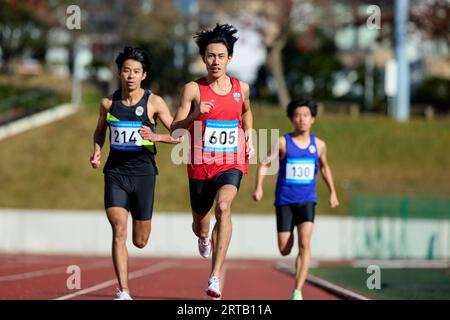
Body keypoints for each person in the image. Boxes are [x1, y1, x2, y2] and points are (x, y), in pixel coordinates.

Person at [89, 46, 180, 300]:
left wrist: (156, 136)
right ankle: (124, 291)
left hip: (144, 175)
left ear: (144, 75)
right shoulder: (108, 103)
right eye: (126, 70)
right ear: (119, 73)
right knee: (119, 229)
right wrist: (97, 150)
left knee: (140, 241)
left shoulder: (154, 102)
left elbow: (180, 135)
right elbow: (99, 131)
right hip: (116, 173)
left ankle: (125, 286)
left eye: (136, 71)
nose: (131, 75)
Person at [170, 23, 254, 299]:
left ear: (229, 58)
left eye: (220, 56)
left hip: (231, 161)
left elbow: (246, 113)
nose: (215, 61)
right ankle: (204, 237)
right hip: (199, 164)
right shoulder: (192, 90)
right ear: (203, 58)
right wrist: (195, 115)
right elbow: (175, 129)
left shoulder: (242, 87)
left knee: (224, 207)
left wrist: (250, 137)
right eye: (210, 56)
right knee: (201, 224)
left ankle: (215, 276)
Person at [252, 99, 339, 300]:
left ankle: (297, 290)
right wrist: (258, 187)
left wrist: (333, 192)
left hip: (307, 200)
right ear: (292, 118)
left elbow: (325, 167)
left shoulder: (319, 145)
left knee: (304, 244)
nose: (302, 119)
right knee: (284, 249)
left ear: (312, 119)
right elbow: (265, 164)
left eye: (305, 115)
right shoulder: (283, 142)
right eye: (297, 115)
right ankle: (296, 279)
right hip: (285, 201)